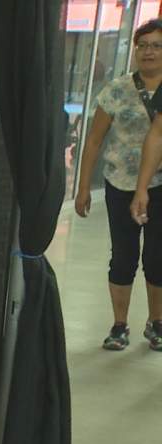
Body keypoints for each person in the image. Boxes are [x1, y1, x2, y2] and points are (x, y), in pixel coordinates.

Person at [82, 19, 162, 351]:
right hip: (119, 183)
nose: (149, 52)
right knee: (123, 256)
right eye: (143, 45)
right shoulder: (117, 89)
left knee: (158, 257)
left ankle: (157, 323)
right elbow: (94, 141)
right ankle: (119, 325)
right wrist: (82, 186)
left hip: (160, 186)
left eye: (157, 45)